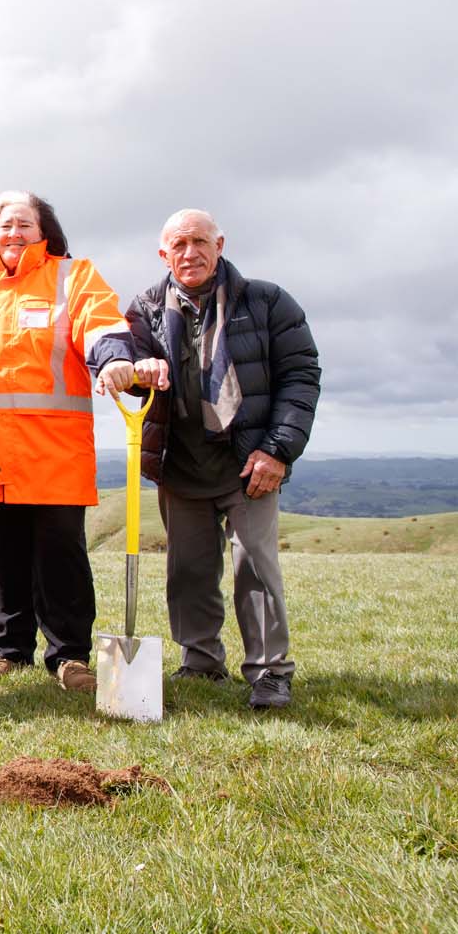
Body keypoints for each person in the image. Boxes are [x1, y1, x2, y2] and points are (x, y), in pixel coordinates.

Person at [0, 191, 136, 694]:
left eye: (24, 225)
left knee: (58, 553)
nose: (13, 234)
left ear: (44, 231)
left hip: (53, 448)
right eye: (4, 225)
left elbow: (103, 322)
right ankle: (8, 651)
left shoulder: (73, 276)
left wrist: (113, 359)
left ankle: (69, 656)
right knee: (0, 554)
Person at [125, 209, 319, 709]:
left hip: (249, 459)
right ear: (163, 253)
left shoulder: (267, 301)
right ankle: (201, 662)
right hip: (181, 461)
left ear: (220, 244)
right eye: (179, 244)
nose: (190, 252)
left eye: (199, 241)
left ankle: (270, 672)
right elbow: (117, 347)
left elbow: (300, 377)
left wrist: (277, 450)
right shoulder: (147, 306)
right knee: (188, 569)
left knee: (254, 566)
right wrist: (121, 365)